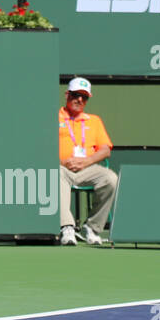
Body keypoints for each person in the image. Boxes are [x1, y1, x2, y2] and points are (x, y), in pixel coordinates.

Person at [56, 78, 116, 246]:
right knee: (55, 173)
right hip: (62, 168)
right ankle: (66, 227)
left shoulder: (94, 120)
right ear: (67, 94)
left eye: (84, 97)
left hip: (87, 168)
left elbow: (105, 150)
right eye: (76, 95)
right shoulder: (53, 117)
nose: (80, 100)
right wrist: (62, 162)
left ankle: (91, 227)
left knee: (110, 179)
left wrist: (86, 161)